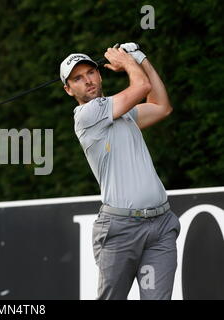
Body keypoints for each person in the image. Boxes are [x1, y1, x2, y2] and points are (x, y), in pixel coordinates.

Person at [60, 43, 181, 300]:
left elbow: (161, 106)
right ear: (69, 90)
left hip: (160, 225)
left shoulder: (123, 114)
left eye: (90, 73)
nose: (88, 81)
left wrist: (141, 58)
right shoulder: (86, 115)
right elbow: (142, 87)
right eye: (77, 79)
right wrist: (127, 62)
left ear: (100, 74)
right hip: (120, 229)